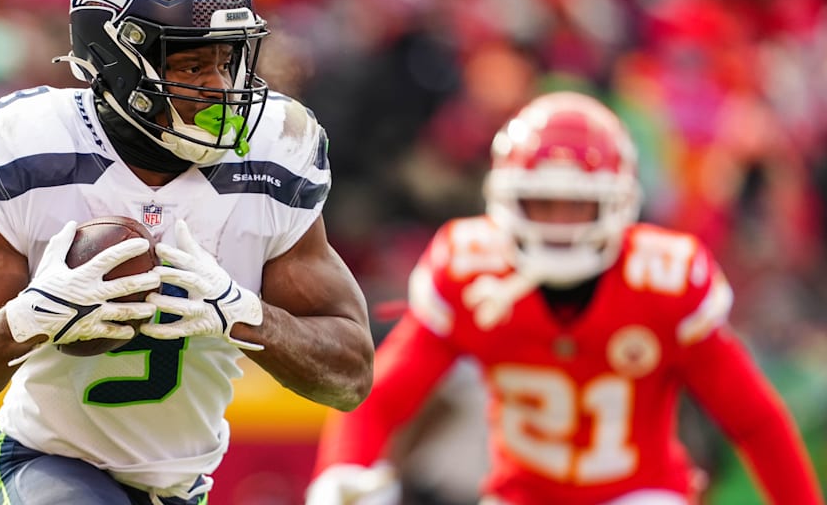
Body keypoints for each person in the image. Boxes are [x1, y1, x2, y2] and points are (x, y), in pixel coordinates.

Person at [0, 0, 374, 505]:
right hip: (40, 463)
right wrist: (29, 318)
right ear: (116, 61)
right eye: (190, 66)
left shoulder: (274, 154)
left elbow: (351, 374)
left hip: (178, 489)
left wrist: (242, 314)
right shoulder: (32, 149)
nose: (219, 89)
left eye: (228, 61)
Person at [307, 91, 823, 505]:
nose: (557, 225)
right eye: (540, 203)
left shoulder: (663, 279)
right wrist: (341, 473)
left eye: (576, 205)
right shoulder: (471, 269)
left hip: (639, 494)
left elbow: (753, 420)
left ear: (619, 203)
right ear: (504, 198)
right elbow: (381, 400)